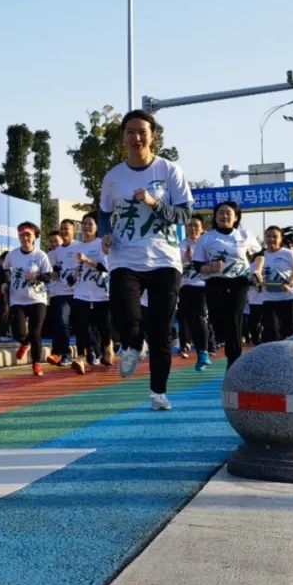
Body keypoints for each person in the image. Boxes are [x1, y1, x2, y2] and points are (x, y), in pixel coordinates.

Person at [98, 109, 193, 411]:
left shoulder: (169, 171)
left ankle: (158, 393)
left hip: (164, 257)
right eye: (130, 132)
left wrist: (153, 202)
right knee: (125, 313)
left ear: (153, 136)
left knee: (161, 329)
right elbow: (103, 213)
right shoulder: (113, 177)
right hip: (125, 255)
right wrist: (106, 233)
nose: (136, 137)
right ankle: (131, 344)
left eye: (142, 132)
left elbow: (185, 213)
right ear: (123, 137)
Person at [191, 201, 263, 369]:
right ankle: (223, 340)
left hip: (238, 282)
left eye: (228, 213)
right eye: (220, 213)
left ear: (235, 217)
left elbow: (259, 253)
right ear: (215, 217)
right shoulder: (206, 238)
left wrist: (257, 270)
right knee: (218, 320)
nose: (224, 216)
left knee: (234, 319)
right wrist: (210, 268)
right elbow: (197, 265)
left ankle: (234, 362)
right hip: (215, 282)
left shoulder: (244, 235)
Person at [3, 221, 52, 376]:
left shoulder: (40, 255)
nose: (25, 238)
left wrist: (37, 275)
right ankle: (24, 344)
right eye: (22, 235)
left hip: (37, 299)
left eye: (28, 235)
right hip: (17, 299)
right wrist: (3, 283)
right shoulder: (12, 255)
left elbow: (49, 276)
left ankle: (36, 363)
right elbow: (2, 270)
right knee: (17, 332)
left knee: (35, 332)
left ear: (34, 237)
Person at [70, 213, 112, 374]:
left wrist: (87, 260)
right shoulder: (77, 247)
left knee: (104, 326)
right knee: (80, 326)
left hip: (100, 291)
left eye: (90, 224)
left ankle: (107, 348)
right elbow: (77, 268)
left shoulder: (101, 244)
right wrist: (73, 276)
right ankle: (80, 357)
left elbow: (105, 267)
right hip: (81, 292)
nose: (87, 227)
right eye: (85, 224)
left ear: (96, 228)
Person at [257, 225, 293, 342]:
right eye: (268, 236)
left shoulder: (288, 253)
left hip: (288, 297)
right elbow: (255, 272)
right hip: (269, 298)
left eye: (275, 237)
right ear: (264, 238)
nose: (271, 239)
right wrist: (258, 280)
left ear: (281, 238)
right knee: (272, 330)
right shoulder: (260, 255)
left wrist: (289, 283)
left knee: (289, 331)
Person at [177, 215, 210, 368]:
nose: (193, 228)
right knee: (189, 320)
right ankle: (196, 350)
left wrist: (195, 259)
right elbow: (174, 264)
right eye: (190, 225)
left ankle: (204, 351)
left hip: (202, 285)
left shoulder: (207, 244)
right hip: (185, 285)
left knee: (199, 317)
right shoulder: (179, 245)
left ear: (202, 229)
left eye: (196, 225)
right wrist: (185, 258)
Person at [47, 219, 78, 366]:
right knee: (62, 322)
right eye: (62, 228)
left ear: (73, 230)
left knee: (83, 324)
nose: (64, 231)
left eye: (67, 228)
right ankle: (65, 354)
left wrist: (75, 276)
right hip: (61, 292)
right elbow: (53, 271)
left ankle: (91, 351)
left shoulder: (79, 247)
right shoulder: (54, 253)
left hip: (80, 291)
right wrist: (53, 274)